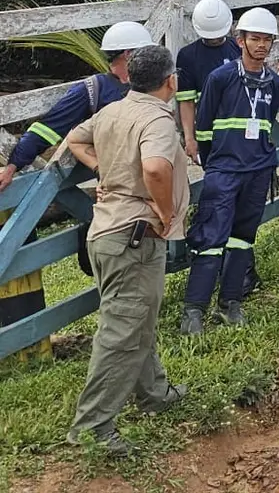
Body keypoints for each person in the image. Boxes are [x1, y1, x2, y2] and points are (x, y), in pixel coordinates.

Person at [64, 45, 189, 455]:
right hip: (134, 237)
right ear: (170, 80)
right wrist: (166, 211)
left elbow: (75, 138)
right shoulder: (157, 118)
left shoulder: (113, 111)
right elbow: (155, 167)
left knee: (136, 319)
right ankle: (93, 427)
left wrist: (104, 170)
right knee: (122, 331)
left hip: (106, 232)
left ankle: (154, 393)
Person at [180, 8, 279, 335]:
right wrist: (214, 164)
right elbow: (204, 126)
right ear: (241, 41)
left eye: (267, 39)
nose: (261, 45)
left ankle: (230, 303)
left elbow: (266, 122)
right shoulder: (221, 78)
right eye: (255, 38)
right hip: (224, 169)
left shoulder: (275, 83)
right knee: (211, 237)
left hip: (258, 169)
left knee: (243, 238)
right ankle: (194, 310)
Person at [0, 21, 153, 192]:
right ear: (128, 54)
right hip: (122, 182)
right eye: (145, 52)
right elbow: (47, 129)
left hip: (156, 171)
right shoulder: (93, 89)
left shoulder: (153, 84)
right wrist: (12, 167)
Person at [176, 0, 239, 162]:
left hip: (238, 131)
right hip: (208, 136)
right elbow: (186, 101)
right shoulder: (188, 56)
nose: (214, 39)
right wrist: (189, 139)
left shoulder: (238, 48)